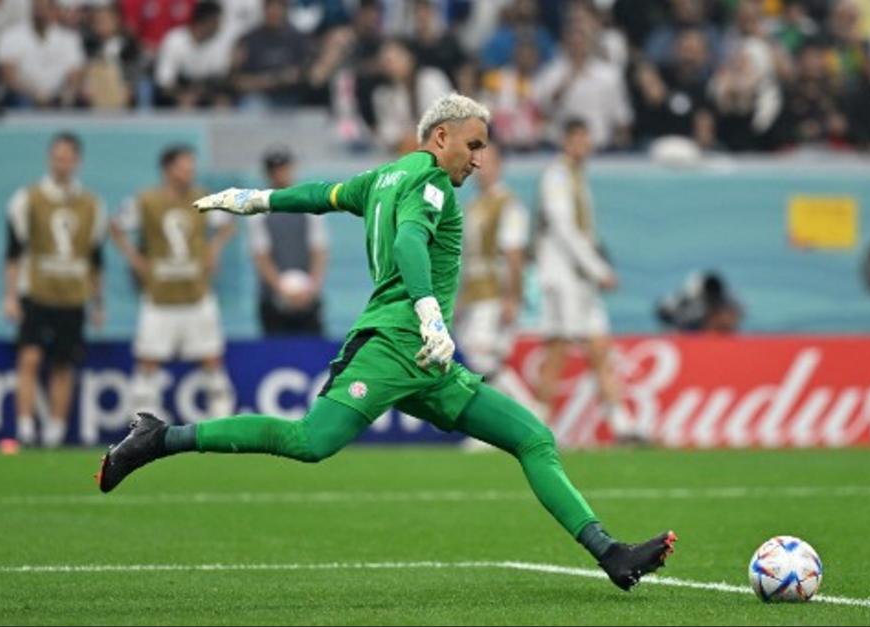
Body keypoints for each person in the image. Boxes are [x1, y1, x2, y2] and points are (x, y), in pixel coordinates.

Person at [96, 93, 675, 592]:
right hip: (401, 344)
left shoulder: (383, 177)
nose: (480, 159)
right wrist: (428, 313)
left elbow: (322, 193)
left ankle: (610, 553)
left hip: (427, 361)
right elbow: (409, 244)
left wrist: (255, 199)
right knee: (309, 441)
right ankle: (161, 437)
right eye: (473, 146)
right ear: (441, 137)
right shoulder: (431, 187)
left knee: (532, 437)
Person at [534, 118, 646, 443]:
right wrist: (599, 268)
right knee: (557, 350)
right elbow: (564, 228)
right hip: (563, 277)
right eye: (580, 138)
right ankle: (535, 424)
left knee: (600, 348)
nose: (585, 145)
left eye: (588, 138)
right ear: (567, 141)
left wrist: (593, 272)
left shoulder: (577, 177)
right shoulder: (556, 176)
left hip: (582, 281)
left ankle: (622, 425)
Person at [110, 145, 236, 420]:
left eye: (191, 165)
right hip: (159, 295)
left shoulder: (202, 197)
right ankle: (145, 425)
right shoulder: (146, 200)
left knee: (211, 360)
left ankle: (220, 420)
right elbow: (116, 225)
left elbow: (228, 223)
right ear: (168, 169)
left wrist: (213, 251)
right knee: (148, 363)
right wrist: (136, 260)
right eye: (184, 166)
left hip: (197, 293)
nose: (190, 171)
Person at [2, 132, 106, 446]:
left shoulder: (91, 204)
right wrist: (9, 296)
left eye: (67, 157)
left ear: (77, 161)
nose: (62, 162)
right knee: (29, 358)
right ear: (50, 158)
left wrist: (98, 302)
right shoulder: (27, 199)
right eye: (57, 156)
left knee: (63, 364)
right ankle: (24, 428)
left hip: (73, 296)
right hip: (36, 292)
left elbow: (95, 259)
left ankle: (55, 432)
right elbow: (14, 252)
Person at [455, 143, 527, 386]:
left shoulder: (508, 205)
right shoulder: (472, 207)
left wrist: (512, 297)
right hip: (473, 293)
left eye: (488, 163)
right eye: (477, 163)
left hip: (494, 292)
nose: (481, 169)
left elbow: (514, 255)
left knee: (481, 362)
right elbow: (465, 259)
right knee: (480, 365)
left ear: (500, 167)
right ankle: (514, 419)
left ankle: (532, 413)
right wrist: (459, 299)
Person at [248, 147, 328, 336]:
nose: (280, 174)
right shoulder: (258, 209)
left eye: (284, 168)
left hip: (307, 295)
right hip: (272, 298)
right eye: (275, 170)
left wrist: (312, 288)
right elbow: (261, 255)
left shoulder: (309, 203)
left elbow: (319, 250)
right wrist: (282, 289)